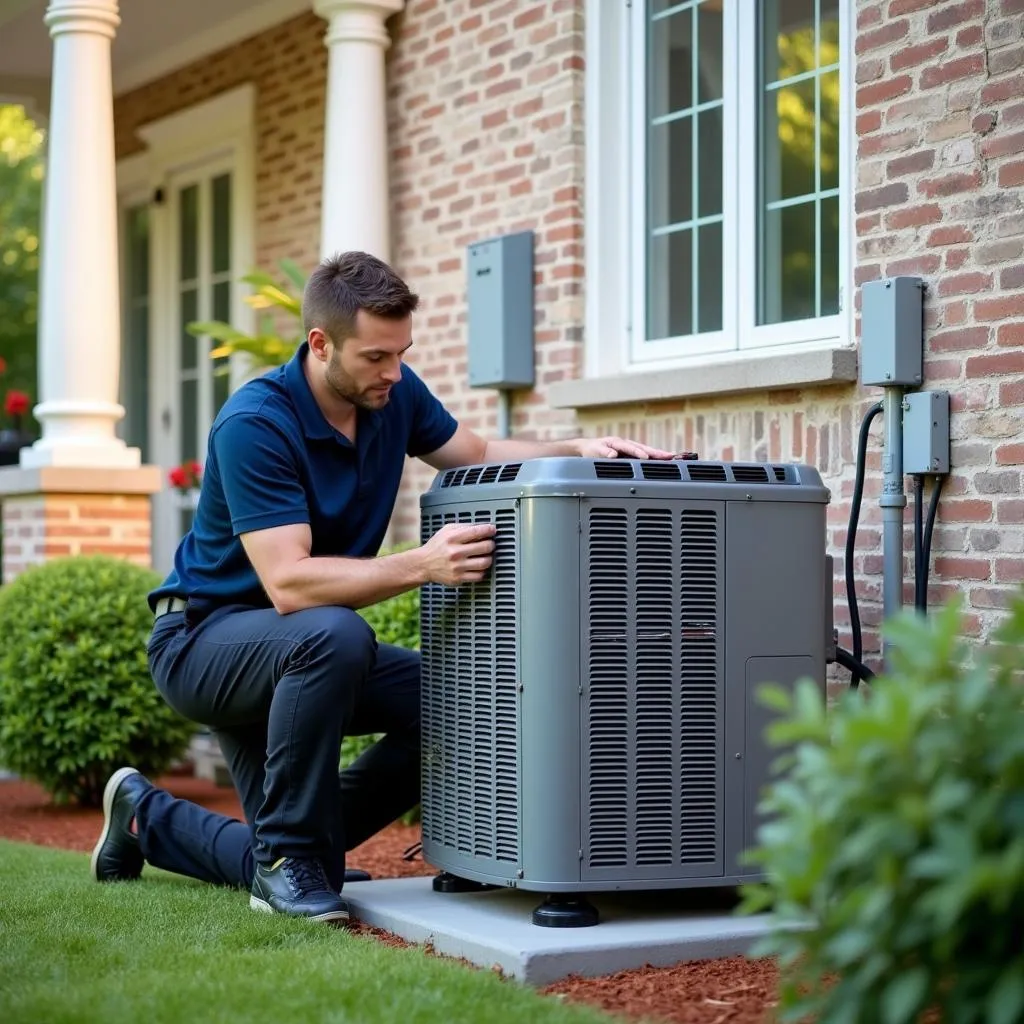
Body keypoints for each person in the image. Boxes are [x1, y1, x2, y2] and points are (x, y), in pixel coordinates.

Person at [89, 250, 674, 925]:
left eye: (401, 354)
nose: (393, 372)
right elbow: (288, 584)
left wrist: (579, 449)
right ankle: (286, 860)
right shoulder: (256, 424)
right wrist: (422, 564)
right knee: (334, 633)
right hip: (206, 643)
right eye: (375, 357)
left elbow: (476, 453)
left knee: (458, 701)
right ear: (320, 344)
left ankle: (159, 822)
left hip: (298, 652)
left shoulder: (390, 395)